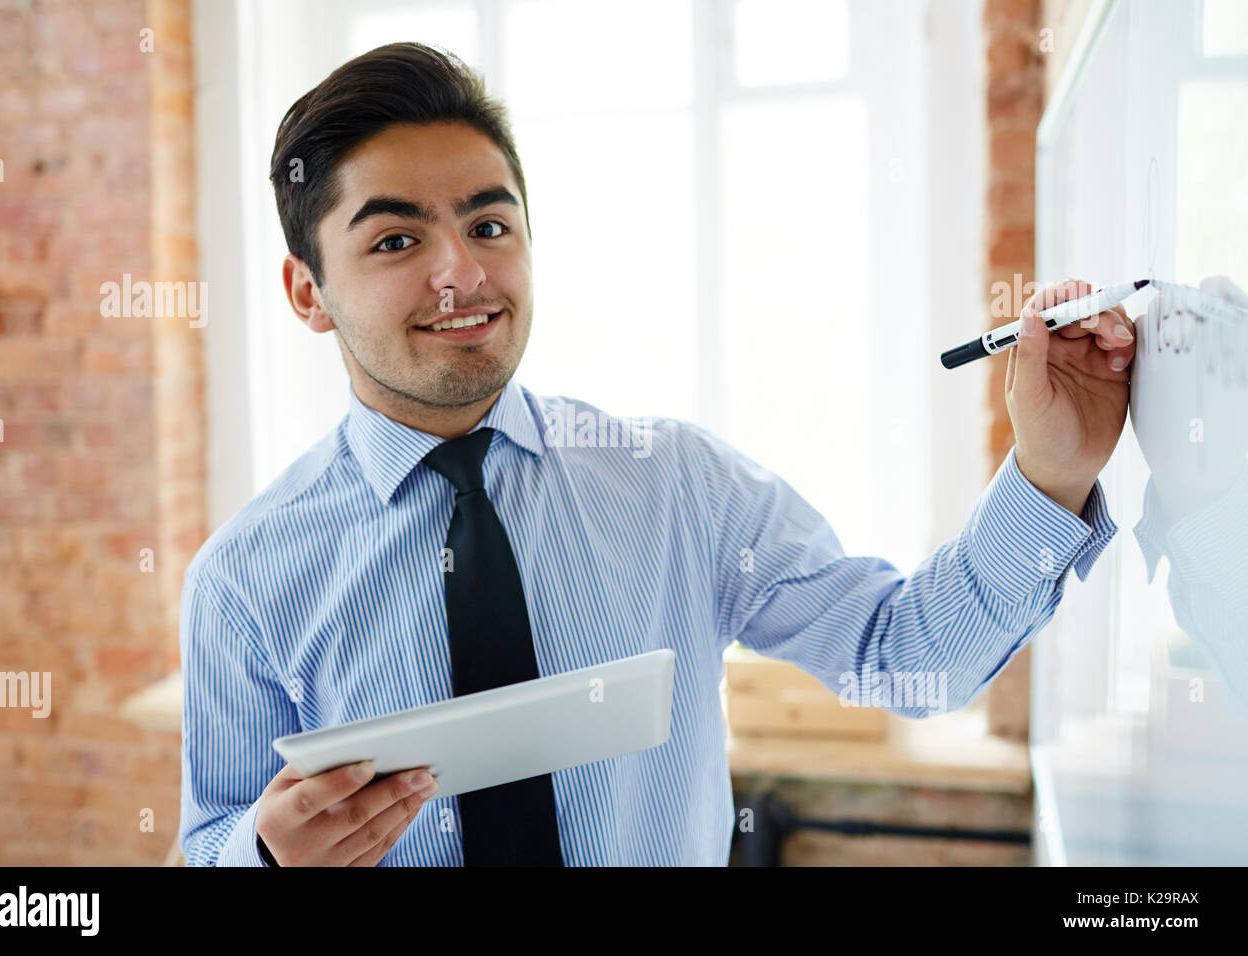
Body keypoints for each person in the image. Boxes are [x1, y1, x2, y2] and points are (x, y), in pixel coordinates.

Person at [179, 42, 1136, 867]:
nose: (462, 273)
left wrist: (1052, 473)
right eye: (396, 238)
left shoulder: (677, 485)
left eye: (488, 225)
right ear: (308, 294)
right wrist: (261, 854)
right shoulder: (243, 578)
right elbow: (209, 838)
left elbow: (907, 655)